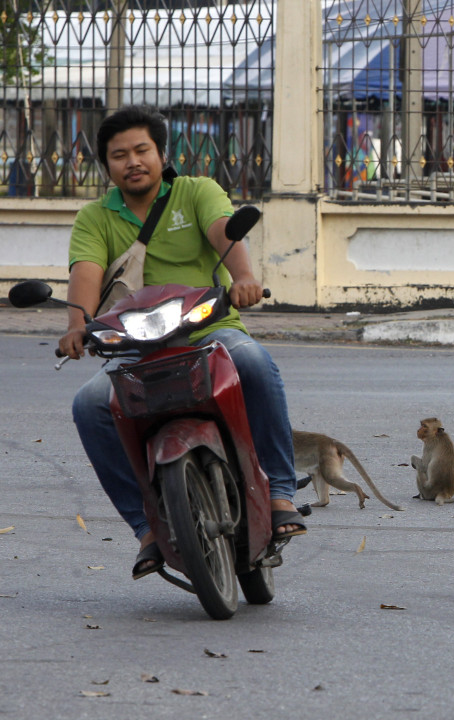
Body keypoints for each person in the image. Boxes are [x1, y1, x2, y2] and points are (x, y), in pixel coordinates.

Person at [58, 105, 304, 580]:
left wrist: (245, 278)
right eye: (119, 155)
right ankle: (146, 529)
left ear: (160, 153)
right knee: (88, 405)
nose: (133, 161)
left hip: (206, 330)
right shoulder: (95, 218)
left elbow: (223, 232)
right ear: (106, 165)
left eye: (142, 150)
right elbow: (84, 274)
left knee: (253, 361)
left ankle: (280, 494)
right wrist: (76, 325)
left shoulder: (196, 191)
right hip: (133, 345)